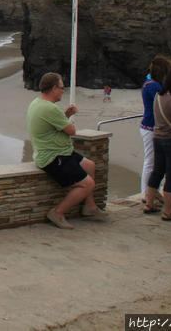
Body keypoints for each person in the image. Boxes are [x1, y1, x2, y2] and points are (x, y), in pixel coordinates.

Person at [27, 72, 106, 230]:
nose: (64, 91)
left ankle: (89, 206)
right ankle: (57, 212)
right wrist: (68, 117)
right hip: (54, 157)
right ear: (54, 88)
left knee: (89, 166)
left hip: (59, 153)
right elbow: (71, 131)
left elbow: (53, 125)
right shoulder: (50, 109)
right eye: (62, 88)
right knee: (87, 184)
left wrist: (65, 115)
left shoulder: (37, 103)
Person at [144, 68, 171, 220]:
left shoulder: (158, 96)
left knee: (157, 171)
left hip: (157, 138)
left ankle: (149, 203)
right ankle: (167, 211)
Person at [139, 56, 171, 206]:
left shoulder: (151, 84)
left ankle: (151, 190)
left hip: (150, 126)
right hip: (151, 127)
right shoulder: (153, 86)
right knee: (151, 161)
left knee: (155, 162)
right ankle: (146, 192)